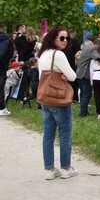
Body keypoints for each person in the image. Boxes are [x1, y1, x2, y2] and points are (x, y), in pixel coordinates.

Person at [37, 26, 78, 180]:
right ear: (53, 38)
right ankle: (66, 168)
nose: (65, 41)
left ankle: (49, 169)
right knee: (65, 134)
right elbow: (73, 76)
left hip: (46, 98)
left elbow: (42, 75)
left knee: (48, 135)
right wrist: (63, 76)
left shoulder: (42, 54)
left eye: (67, 38)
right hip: (59, 99)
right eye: (62, 38)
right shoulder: (58, 55)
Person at [0, 24, 15, 116]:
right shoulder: (7, 39)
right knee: (1, 86)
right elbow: (10, 53)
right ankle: (1, 108)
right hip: (2, 66)